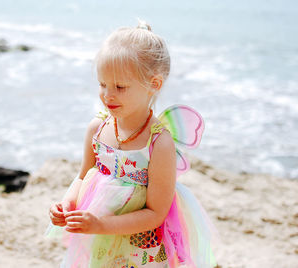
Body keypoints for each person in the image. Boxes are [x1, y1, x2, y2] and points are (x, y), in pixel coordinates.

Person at [48, 21, 218, 267]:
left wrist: (102, 225)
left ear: (153, 84)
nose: (108, 95)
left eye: (120, 87)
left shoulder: (159, 144)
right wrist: (68, 204)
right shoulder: (97, 129)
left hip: (139, 247)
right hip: (99, 237)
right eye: (103, 84)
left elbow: (155, 213)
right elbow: (83, 176)